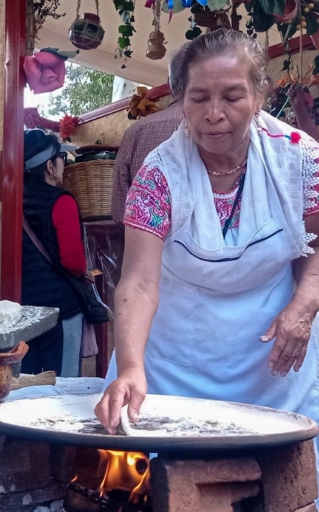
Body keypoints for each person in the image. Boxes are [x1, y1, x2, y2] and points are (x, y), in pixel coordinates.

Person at [95, 29, 319, 443]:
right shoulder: (159, 174)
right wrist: (130, 367)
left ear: (259, 96)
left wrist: (306, 302)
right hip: (174, 366)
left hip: (273, 366)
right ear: (181, 99)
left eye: (232, 97)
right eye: (198, 99)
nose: (213, 113)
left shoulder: (299, 159)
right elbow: (139, 283)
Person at [21, 129, 107, 377]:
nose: (64, 166)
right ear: (49, 166)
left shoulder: (15, 199)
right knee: (62, 387)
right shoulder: (62, 201)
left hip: (23, 309)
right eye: (62, 160)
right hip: (60, 310)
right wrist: (84, 272)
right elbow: (72, 260)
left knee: (25, 385)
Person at [110, 49, 187, 224]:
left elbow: (119, 210)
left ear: (170, 83)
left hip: (144, 244)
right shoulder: (221, 129)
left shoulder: (135, 131)